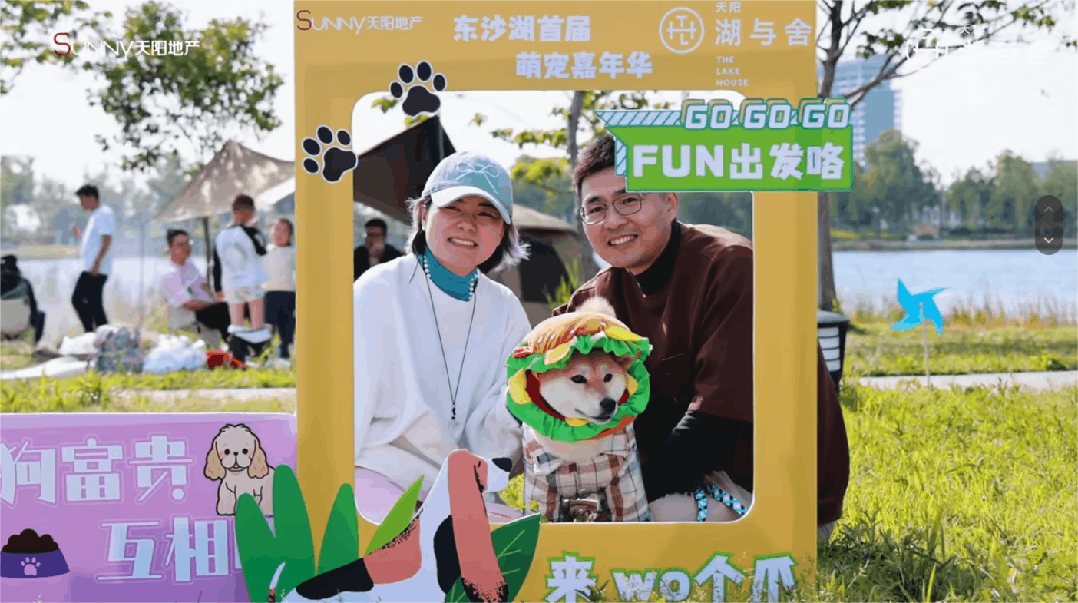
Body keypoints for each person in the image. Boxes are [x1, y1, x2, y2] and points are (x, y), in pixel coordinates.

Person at [554, 133, 850, 541]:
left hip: (770, 496)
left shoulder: (732, 267)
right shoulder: (597, 297)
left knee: (621, 527)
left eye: (629, 200)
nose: (613, 220)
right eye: (596, 208)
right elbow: (538, 383)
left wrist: (614, 495)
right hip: (675, 475)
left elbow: (714, 430)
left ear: (670, 201)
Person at [353, 151, 531, 519]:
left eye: (486, 214)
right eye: (453, 208)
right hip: (381, 475)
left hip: (465, 489)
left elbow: (506, 422)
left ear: (503, 231)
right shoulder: (377, 289)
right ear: (423, 213)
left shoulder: (507, 309)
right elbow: (348, 409)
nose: (468, 224)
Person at [212, 194, 271, 362]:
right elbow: (262, 250)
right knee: (257, 323)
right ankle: (259, 354)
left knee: (236, 323)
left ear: (232, 211)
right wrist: (256, 231)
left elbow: (216, 263)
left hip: (230, 285)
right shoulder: (248, 231)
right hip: (252, 282)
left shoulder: (221, 235)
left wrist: (218, 288)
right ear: (250, 212)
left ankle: (237, 356)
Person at [160, 229, 231, 344]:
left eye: (188, 243)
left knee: (234, 306)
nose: (186, 248)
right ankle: (236, 346)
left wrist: (217, 298)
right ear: (170, 249)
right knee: (225, 311)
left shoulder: (189, 265)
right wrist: (214, 305)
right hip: (189, 317)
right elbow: (188, 304)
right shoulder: (169, 274)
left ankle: (238, 344)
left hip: (206, 312)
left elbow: (204, 286)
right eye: (181, 245)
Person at [71, 184, 115, 333]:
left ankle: (91, 332)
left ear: (91, 198)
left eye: (82, 199)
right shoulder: (95, 215)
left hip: (96, 268)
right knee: (94, 304)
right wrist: (80, 235)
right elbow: (93, 242)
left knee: (78, 299)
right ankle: (102, 335)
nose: (81, 204)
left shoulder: (103, 213)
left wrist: (97, 263)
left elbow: (107, 240)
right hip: (94, 267)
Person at [263, 218, 296, 364]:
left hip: (288, 294)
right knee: (267, 326)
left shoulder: (294, 251)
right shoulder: (265, 251)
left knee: (287, 327)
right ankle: (265, 354)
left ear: (290, 235)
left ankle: (285, 354)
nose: (279, 233)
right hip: (268, 294)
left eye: (283, 230)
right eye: (276, 229)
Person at [1, 255, 46, 344]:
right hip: (22, 327)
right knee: (41, 314)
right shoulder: (25, 284)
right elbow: (33, 309)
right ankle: (34, 345)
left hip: (1, 327)